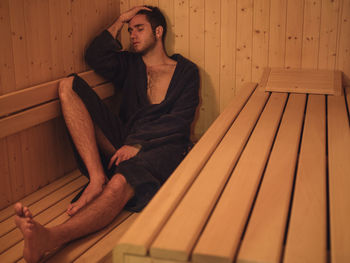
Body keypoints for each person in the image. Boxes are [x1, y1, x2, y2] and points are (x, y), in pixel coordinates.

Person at [14, 5, 199, 263]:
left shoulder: (186, 72)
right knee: (68, 86)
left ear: (158, 31)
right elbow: (95, 55)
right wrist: (118, 20)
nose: (132, 35)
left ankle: (51, 237)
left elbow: (179, 121)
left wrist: (139, 145)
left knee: (121, 182)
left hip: (162, 147)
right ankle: (96, 176)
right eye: (129, 29)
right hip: (125, 139)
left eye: (139, 28)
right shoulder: (129, 64)